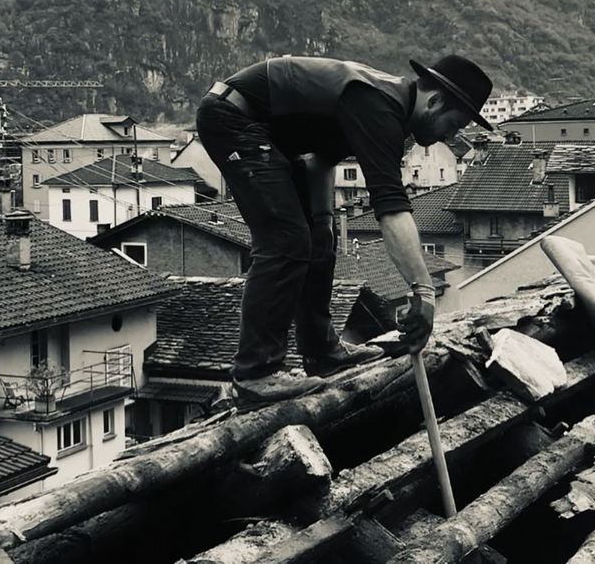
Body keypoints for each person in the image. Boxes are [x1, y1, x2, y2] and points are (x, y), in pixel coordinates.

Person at [196, 54, 493, 406]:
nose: (451, 135)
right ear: (436, 101)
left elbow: (320, 159)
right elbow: (392, 209)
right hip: (234, 118)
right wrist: (423, 292)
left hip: (268, 136)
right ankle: (254, 374)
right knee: (285, 240)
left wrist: (321, 228)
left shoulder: (384, 106)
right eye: (454, 124)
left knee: (318, 239)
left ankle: (322, 354)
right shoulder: (380, 108)